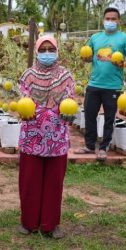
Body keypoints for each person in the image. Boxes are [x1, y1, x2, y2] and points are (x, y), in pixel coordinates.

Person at [18, 36, 75, 239]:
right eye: (43, 49)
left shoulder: (66, 76)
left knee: (54, 183)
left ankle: (50, 224)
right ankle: (29, 222)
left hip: (57, 138)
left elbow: (71, 101)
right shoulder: (28, 76)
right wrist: (22, 110)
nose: (48, 53)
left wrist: (71, 112)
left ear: (57, 51)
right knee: (29, 180)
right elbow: (22, 101)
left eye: (51, 49)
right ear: (36, 51)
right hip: (32, 136)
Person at [75, 7, 126, 160]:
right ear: (103, 20)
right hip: (94, 83)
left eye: (113, 19)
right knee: (89, 115)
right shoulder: (95, 38)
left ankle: (103, 148)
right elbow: (88, 56)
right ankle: (90, 146)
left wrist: (122, 63)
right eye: (107, 19)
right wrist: (86, 59)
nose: (110, 21)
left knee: (109, 118)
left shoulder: (123, 38)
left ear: (119, 21)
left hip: (113, 86)